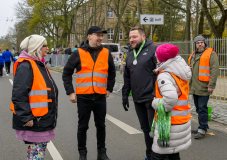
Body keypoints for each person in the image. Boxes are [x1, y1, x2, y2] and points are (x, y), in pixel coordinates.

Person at [62, 26, 116, 160]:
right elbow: (66, 73)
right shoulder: (78, 53)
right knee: (82, 127)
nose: (100, 38)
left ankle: (102, 153)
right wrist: (70, 92)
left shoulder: (106, 52)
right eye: (98, 35)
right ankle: (82, 153)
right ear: (89, 36)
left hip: (100, 97)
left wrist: (109, 88)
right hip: (83, 97)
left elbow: (112, 73)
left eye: (101, 35)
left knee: (101, 126)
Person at [10, 35, 59, 160]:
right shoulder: (27, 65)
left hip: (40, 118)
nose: (48, 48)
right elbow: (19, 94)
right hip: (35, 119)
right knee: (36, 152)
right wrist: (26, 117)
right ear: (36, 48)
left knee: (37, 151)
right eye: (45, 46)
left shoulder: (38, 64)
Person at [151, 43, 192, 160]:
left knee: (157, 156)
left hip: (169, 123)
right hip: (182, 119)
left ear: (162, 58)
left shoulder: (164, 76)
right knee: (173, 154)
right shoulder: (180, 73)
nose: (155, 57)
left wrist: (155, 102)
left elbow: (170, 98)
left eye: (156, 55)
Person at [122, 27, 157, 160]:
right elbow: (127, 76)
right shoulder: (131, 54)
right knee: (145, 129)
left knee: (154, 130)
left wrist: (154, 94)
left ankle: (157, 155)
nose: (131, 40)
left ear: (143, 37)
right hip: (138, 99)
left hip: (151, 99)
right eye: (130, 37)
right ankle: (149, 154)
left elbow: (161, 74)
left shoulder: (153, 49)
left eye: (134, 37)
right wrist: (125, 95)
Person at [188, 36, 219, 139]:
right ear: (195, 44)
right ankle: (202, 126)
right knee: (198, 108)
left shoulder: (211, 54)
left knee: (202, 109)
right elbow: (191, 67)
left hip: (204, 86)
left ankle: (203, 129)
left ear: (205, 43)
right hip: (195, 86)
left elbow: (214, 70)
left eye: (202, 42)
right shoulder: (193, 54)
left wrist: (211, 85)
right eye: (198, 43)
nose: (200, 44)